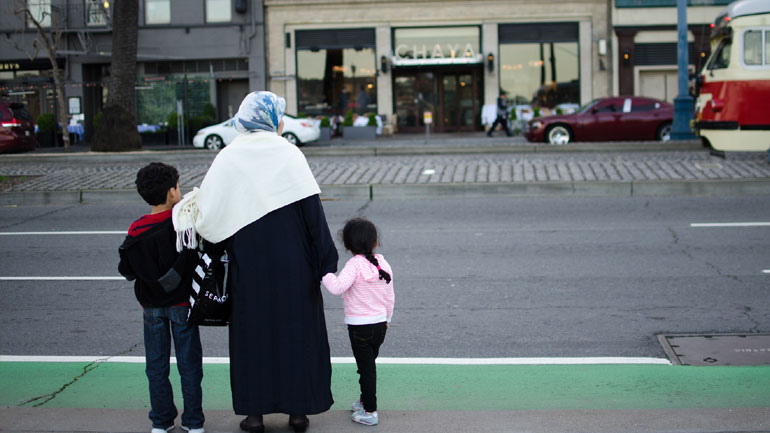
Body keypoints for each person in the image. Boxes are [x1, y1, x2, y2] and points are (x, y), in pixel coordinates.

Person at [172, 91, 338, 433]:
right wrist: (325, 262)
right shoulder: (289, 154)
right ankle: (298, 412)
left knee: (252, 339)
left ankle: (254, 414)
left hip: (248, 267)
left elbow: (209, 217)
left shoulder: (229, 157)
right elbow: (313, 216)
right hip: (296, 266)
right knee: (298, 336)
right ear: (272, 119)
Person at [118, 162, 204, 433]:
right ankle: (193, 423)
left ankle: (161, 421)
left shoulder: (136, 229)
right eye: (178, 185)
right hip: (182, 306)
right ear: (171, 192)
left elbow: (127, 269)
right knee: (189, 366)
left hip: (151, 307)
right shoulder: (183, 225)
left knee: (156, 365)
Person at [321, 218, 394, 427]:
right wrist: (388, 318)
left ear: (347, 245)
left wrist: (323, 273)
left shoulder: (354, 265)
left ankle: (370, 411)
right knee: (368, 366)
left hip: (359, 327)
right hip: (381, 325)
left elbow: (336, 287)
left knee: (366, 369)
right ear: (375, 242)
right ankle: (364, 401)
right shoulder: (383, 263)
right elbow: (390, 296)